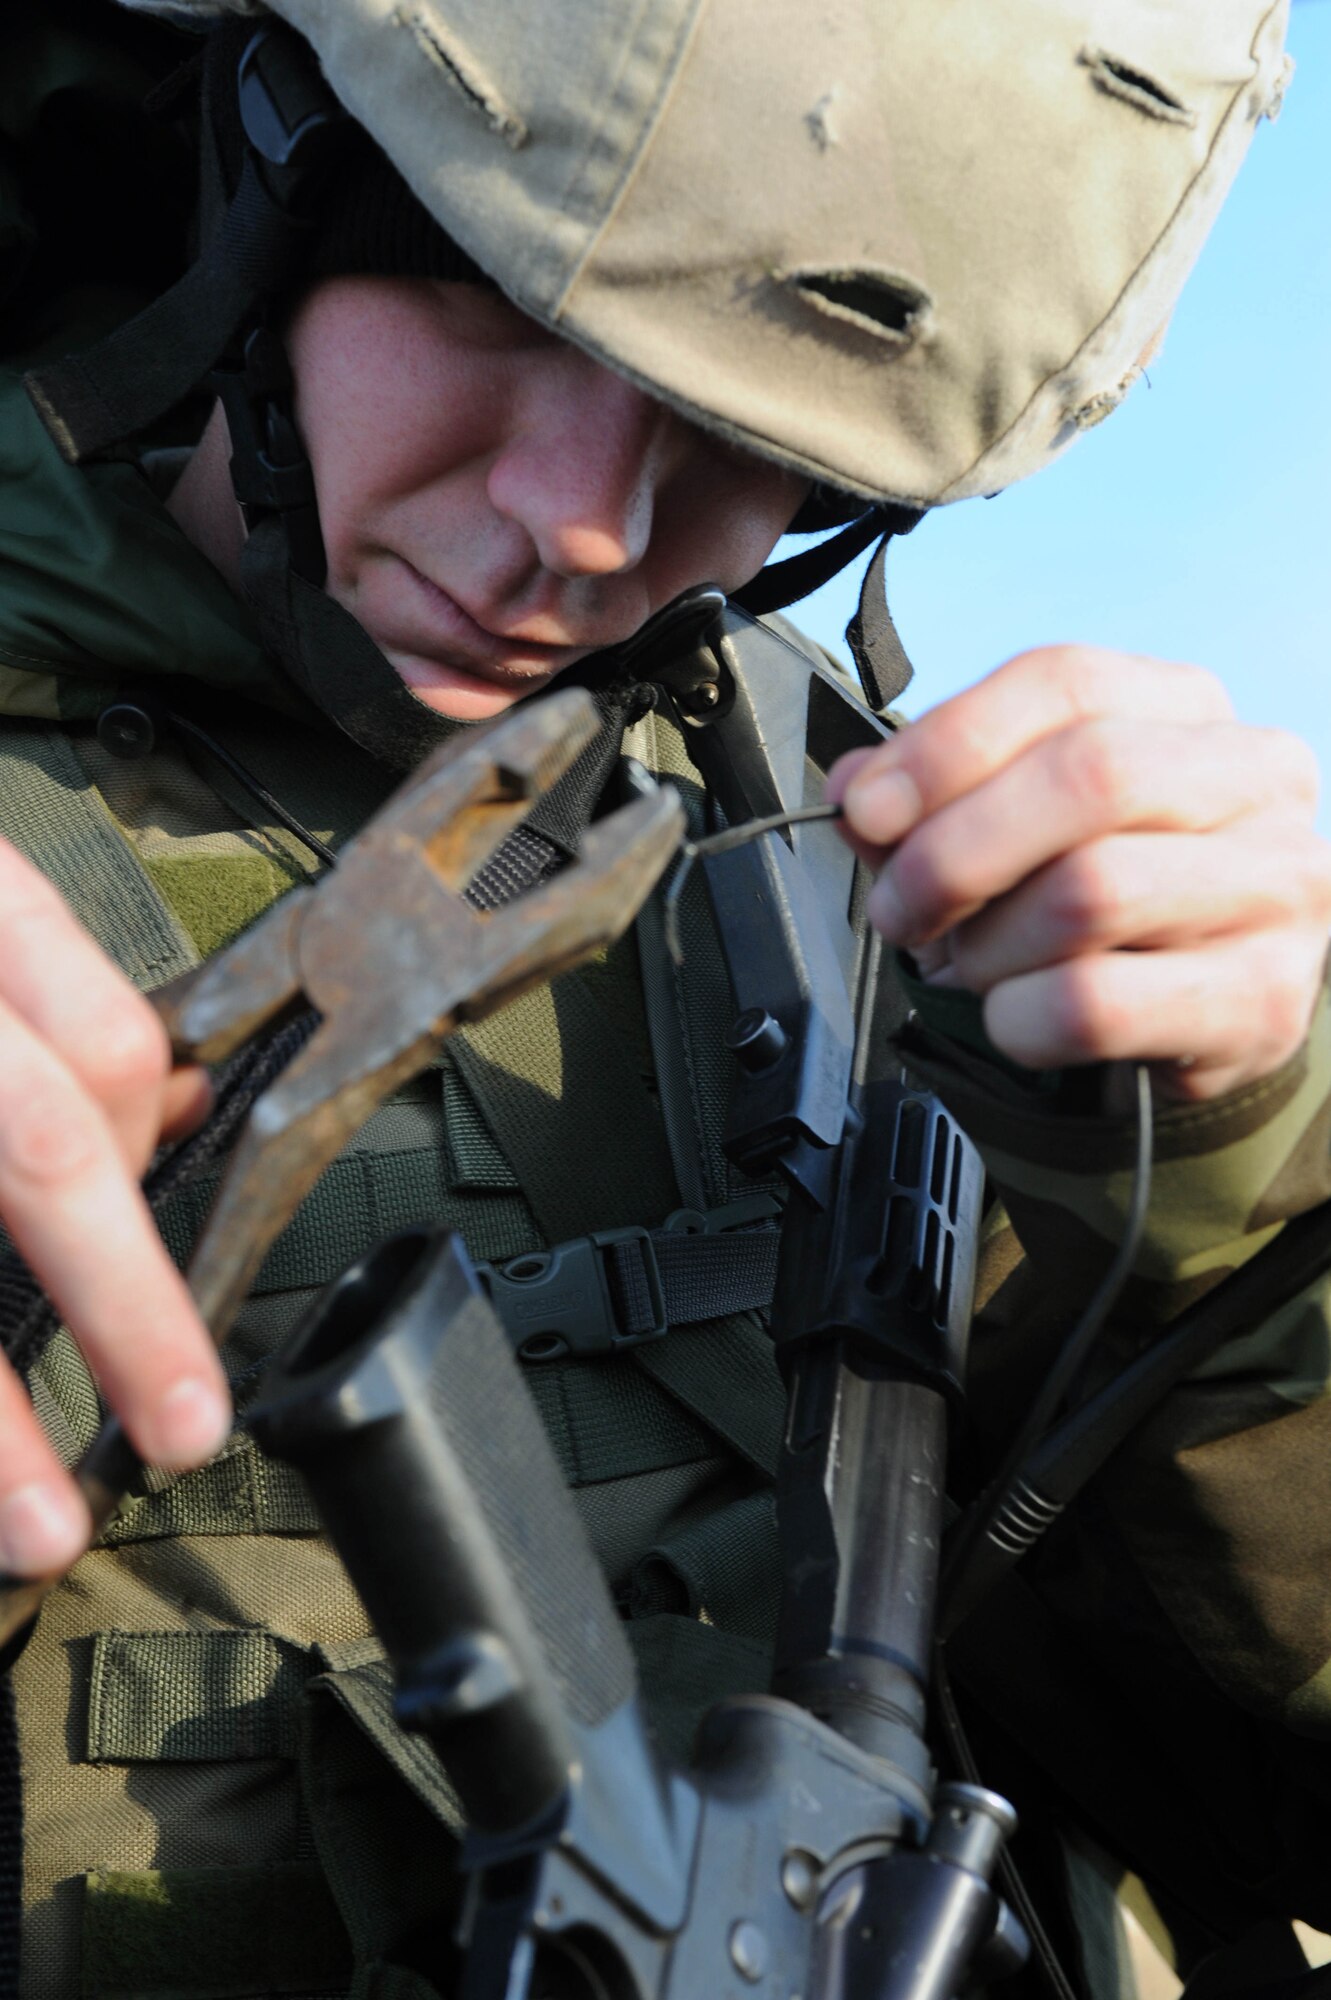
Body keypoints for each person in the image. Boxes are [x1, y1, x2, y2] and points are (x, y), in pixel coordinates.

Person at [0, 0, 1328, 1994]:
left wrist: (1248, 1169)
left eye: (762, 442)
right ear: (273, 150)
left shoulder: (912, 902)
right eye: (506, 303)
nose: (591, 521)